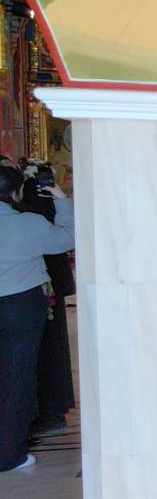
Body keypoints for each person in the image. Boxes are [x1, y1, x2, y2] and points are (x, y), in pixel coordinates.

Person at [0, 166, 72, 473]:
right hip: (21, 306)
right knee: (18, 376)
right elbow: (68, 238)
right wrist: (61, 199)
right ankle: (10, 454)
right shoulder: (28, 224)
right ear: (17, 193)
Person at [19, 171, 74, 432]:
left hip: (39, 292)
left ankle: (44, 412)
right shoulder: (28, 216)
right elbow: (66, 236)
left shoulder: (28, 213)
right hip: (36, 292)